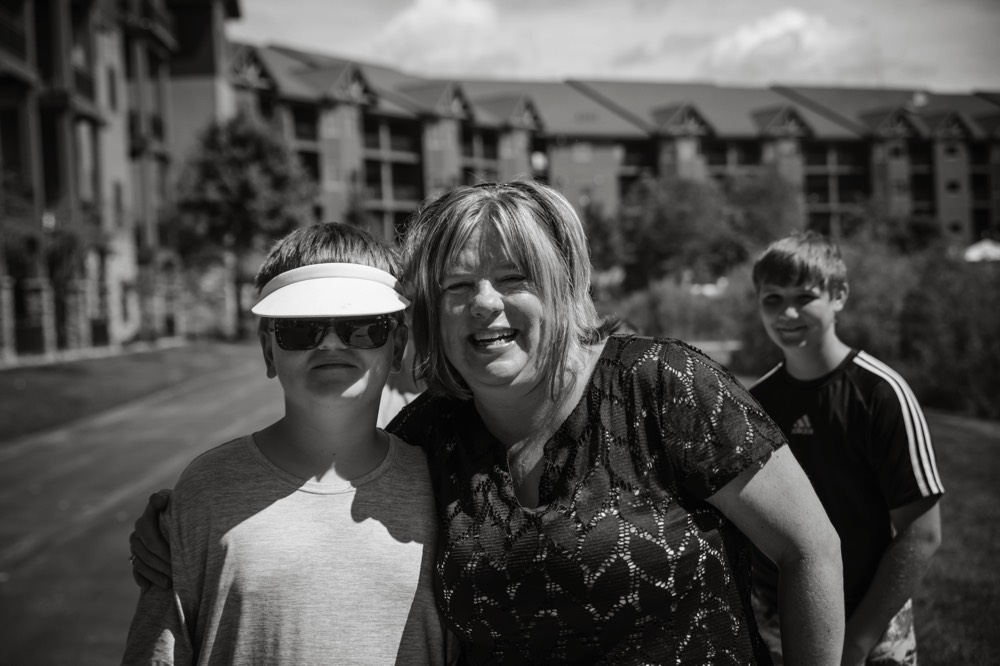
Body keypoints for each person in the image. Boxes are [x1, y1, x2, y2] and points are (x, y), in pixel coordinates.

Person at [132, 180, 845, 664]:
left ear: (562, 287)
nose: (485, 305)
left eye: (513, 280)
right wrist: (179, 521)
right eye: (456, 287)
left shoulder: (661, 385)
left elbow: (809, 550)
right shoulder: (433, 436)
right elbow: (326, 485)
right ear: (430, 316)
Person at [122, 223, 456, 665]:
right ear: (267, 350)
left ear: (397, 347)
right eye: (301, 328)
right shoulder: (207, 493)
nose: (332, 343)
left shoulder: (446, 490)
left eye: (361, 326)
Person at [748, 231, 944, 666]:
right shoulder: (757, 402)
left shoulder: (881, 393)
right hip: (779, 617)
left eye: (804, 296)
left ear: (838, 295)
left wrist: (857, 640)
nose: (788, 313)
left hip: (868, 616)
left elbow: (923, 533)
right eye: (773, 299)